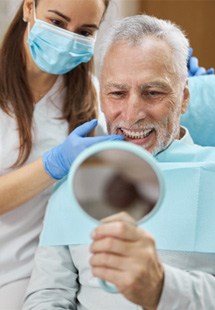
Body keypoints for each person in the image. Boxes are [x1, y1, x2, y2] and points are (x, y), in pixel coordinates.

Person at [23, 14, 215, 310]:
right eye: (117, 93)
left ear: (184, 97)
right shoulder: (74, 182)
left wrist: (161, 287)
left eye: (153, 92)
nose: (132, 113)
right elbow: (47, 295)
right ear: (102, 99)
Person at [0, 0, 127, 308]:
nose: (69, 38)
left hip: (32, 269)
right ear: (29, 7)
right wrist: (54, 164)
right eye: (57, 23)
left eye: (84, 31)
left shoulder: (91, 97)